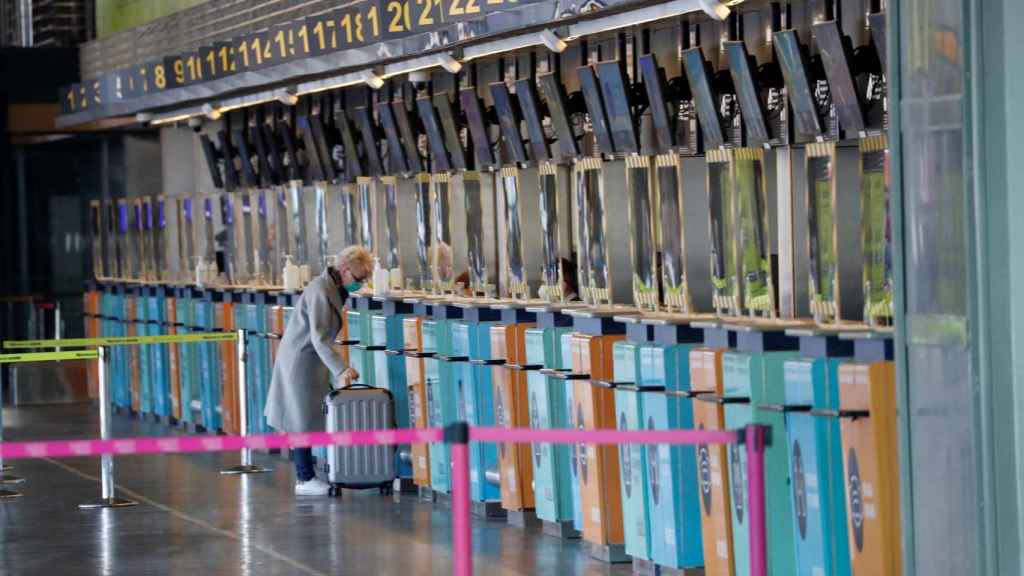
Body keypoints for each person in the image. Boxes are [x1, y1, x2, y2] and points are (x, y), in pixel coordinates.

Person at [264, 245, 374, 496]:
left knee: (306, 416)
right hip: (301, 359)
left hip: (309, 358)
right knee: (299, 419)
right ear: (344, 270)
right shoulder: (321, 291)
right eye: (359, 279)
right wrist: (342, 368)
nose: (362, 284)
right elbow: (320, 338)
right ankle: (304, 479)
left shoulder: (332, 287)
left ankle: (309, 475)